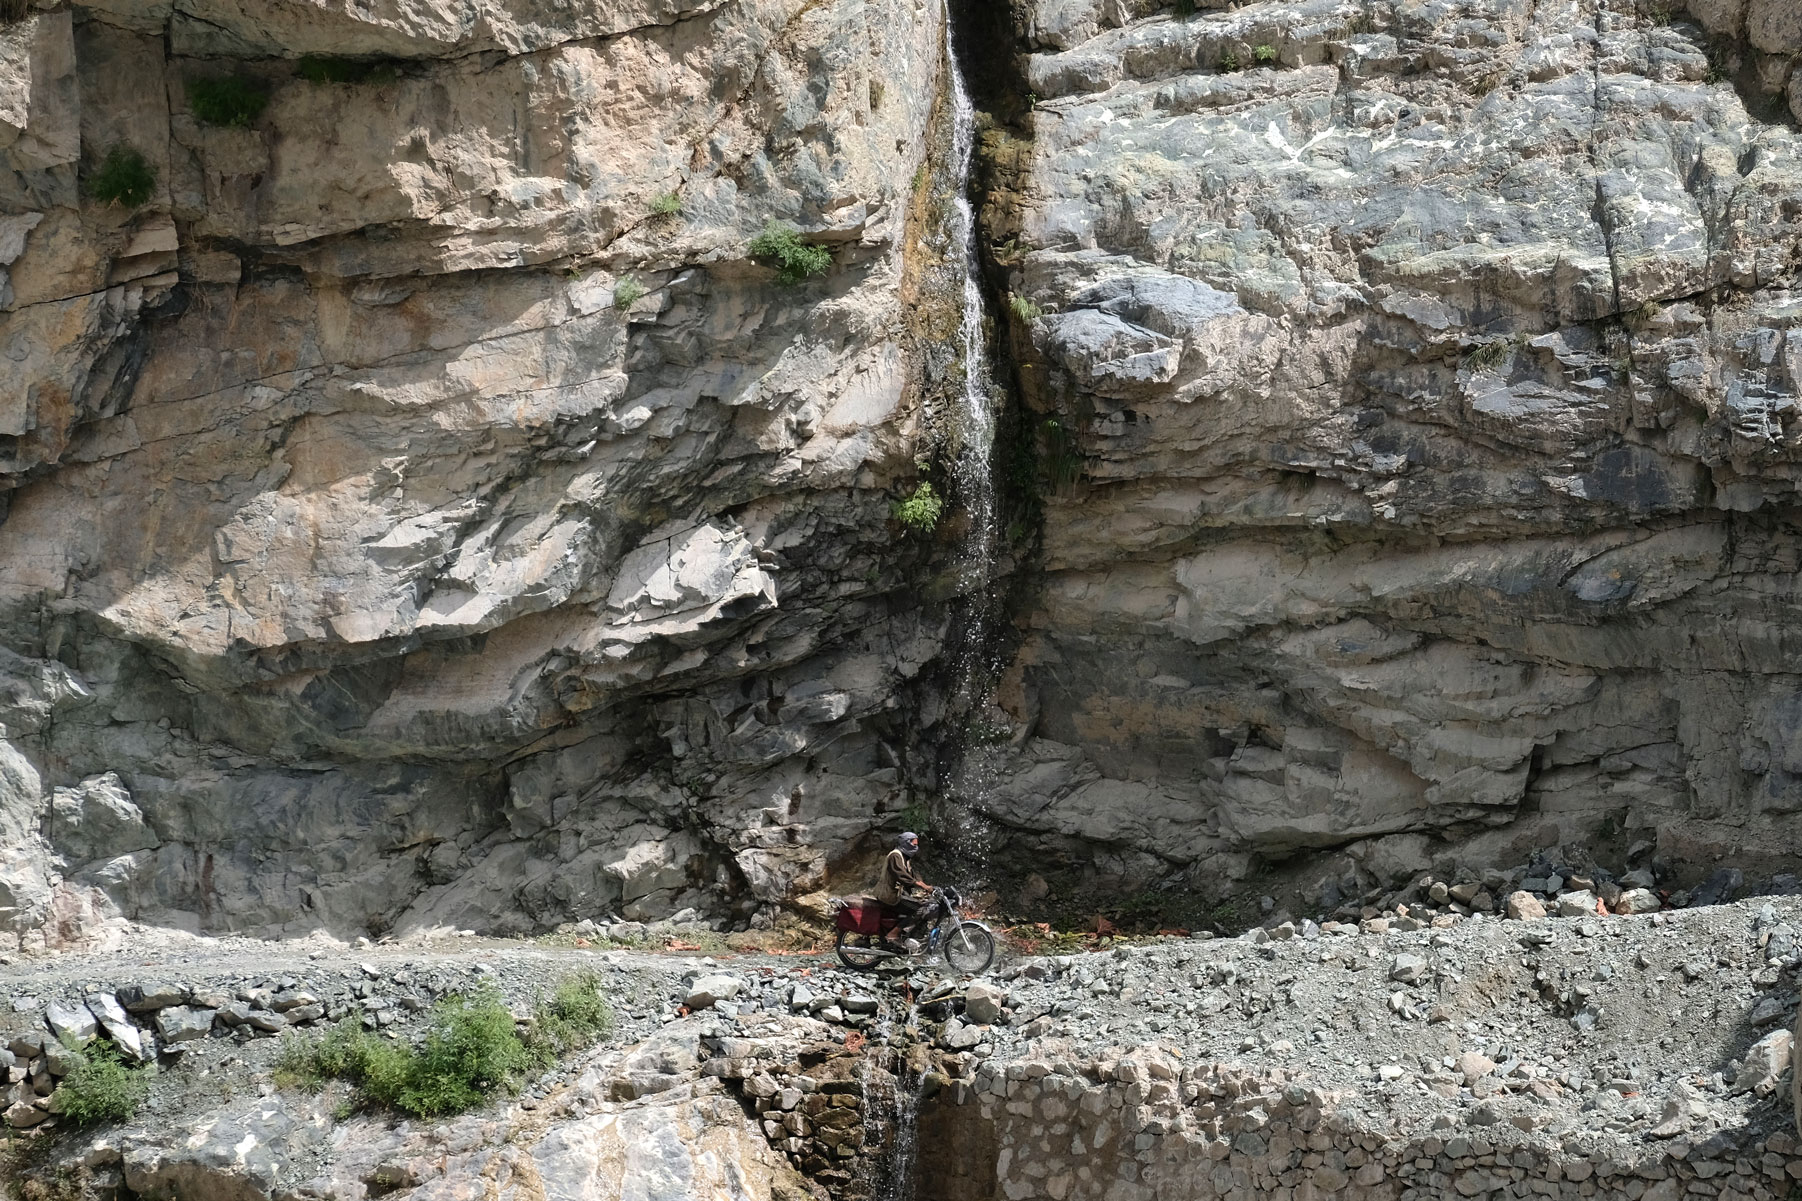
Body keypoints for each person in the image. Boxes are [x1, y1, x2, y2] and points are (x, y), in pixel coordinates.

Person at [875, 831, 929, 947]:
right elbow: (901, 875)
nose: (916, 846)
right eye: (913, 843)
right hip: (889, 895)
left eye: (916, 843)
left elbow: (913, 876)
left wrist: (926, 888)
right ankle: (893, 934)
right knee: (920, 909)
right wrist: (923, 886)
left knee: (923, 903)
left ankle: (907, 937)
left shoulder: (905, 858)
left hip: (896, 893)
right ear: (906, 843)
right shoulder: (895, 855)